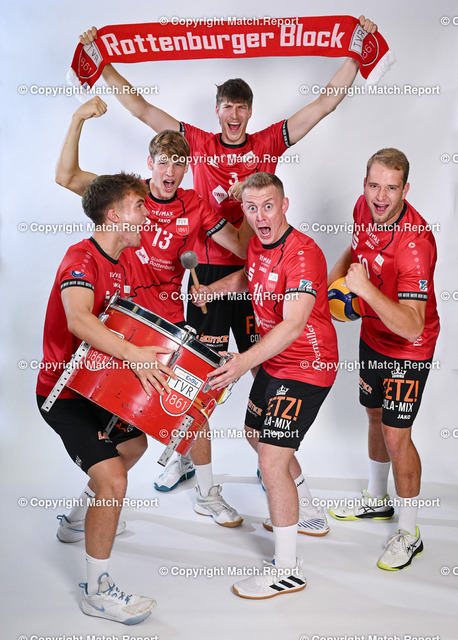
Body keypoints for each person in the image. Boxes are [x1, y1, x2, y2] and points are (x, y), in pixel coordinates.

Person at [78, 15, 377, 494]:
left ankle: (273, 457)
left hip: (260, 276)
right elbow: (142, 109)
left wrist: (356, 53)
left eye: (241, 107)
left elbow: (323, 104)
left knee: (265, 364)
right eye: (227, 106)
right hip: (209, 278)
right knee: (198, 374)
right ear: (217, 111)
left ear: (250, 112)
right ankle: (189, 463)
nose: (234, 115)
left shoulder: (267, 141)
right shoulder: (195, 143)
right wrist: (104, 62)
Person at [56, 98, 251, 526]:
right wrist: (77, 119)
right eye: (163, 161)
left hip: (168, 324)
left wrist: (248, 196)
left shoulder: (196, 205)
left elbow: (242, 247)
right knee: (113, 430)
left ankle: (206, 493)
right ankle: (80, 514)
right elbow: (66, 176)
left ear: (186, 169)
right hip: (120, 321)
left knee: (193, 405)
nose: (170, 171)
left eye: (179, 164)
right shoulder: (127, 197)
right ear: (150, 163)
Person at [36, 173, 176, 623]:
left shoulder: (126, 261)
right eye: (139, 206)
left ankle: (77, 520)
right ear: (114, 216)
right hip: (63, 392)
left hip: (98, 387)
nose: (147, 214)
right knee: (114, 480)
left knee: (133, 446)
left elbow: (139, 320)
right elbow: (79, 319)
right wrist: (135, 356)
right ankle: (97, 592)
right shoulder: (81, 258)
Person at [192, 172, 338, 598]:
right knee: (255, 435)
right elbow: (249, 276)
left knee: (272, 462)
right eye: (252, 208)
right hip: (275, 361)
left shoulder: (304, 254)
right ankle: (306, 508)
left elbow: (293, 325)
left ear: (285, 205)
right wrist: (214, 290)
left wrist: (241, 363)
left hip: (307, 365)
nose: (260, 217)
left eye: (268, 206)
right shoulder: (257, 242)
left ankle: (287, 570)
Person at [327, 148, 440, 570]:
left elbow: (412, 325)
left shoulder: (416, 245)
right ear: (364, 184)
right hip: (372, 335)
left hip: (408, 348)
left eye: (391, 188)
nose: (380, 197)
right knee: (374, 416)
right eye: (374, 185)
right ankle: (377, 500)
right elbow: (355, 249)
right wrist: (332, 284)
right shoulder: (363, 208)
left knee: (396, 435)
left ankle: (410, 533)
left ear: (405, 190)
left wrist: (365, 291)